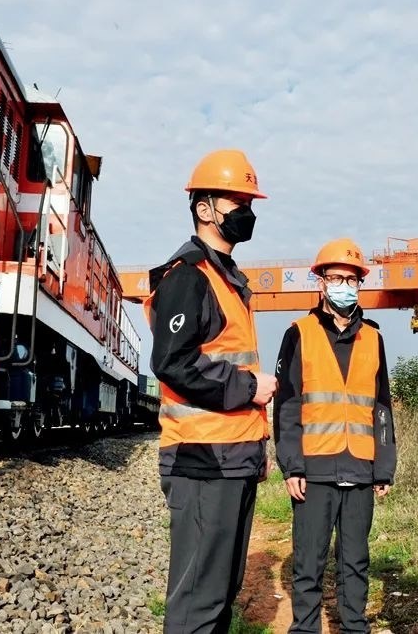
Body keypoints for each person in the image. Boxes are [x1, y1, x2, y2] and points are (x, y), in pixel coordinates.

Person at [143, 149, 277, 634]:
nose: (247, 212)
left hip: (232, 460)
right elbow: (172, 363)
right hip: (203, 461)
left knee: (221, 594)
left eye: (250, 203)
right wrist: (251, 386)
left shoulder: (226, 280)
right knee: (198, 601)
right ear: (204, 209)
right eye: (237, 202)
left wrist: (257, 449)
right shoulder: (189, 278)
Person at [273, 237, 396, 634]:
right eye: (336, 278)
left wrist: (384, 467)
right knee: (308, 562)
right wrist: (292, 466)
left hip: (360, 468)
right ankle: (305, 629)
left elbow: (381, 408)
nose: (345, 286)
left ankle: (355, 628)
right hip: (314, 469)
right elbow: (287, 405)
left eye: (352, 279)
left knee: (355, 561)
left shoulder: (373, 338)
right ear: (321, 282)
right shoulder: (299, 333)